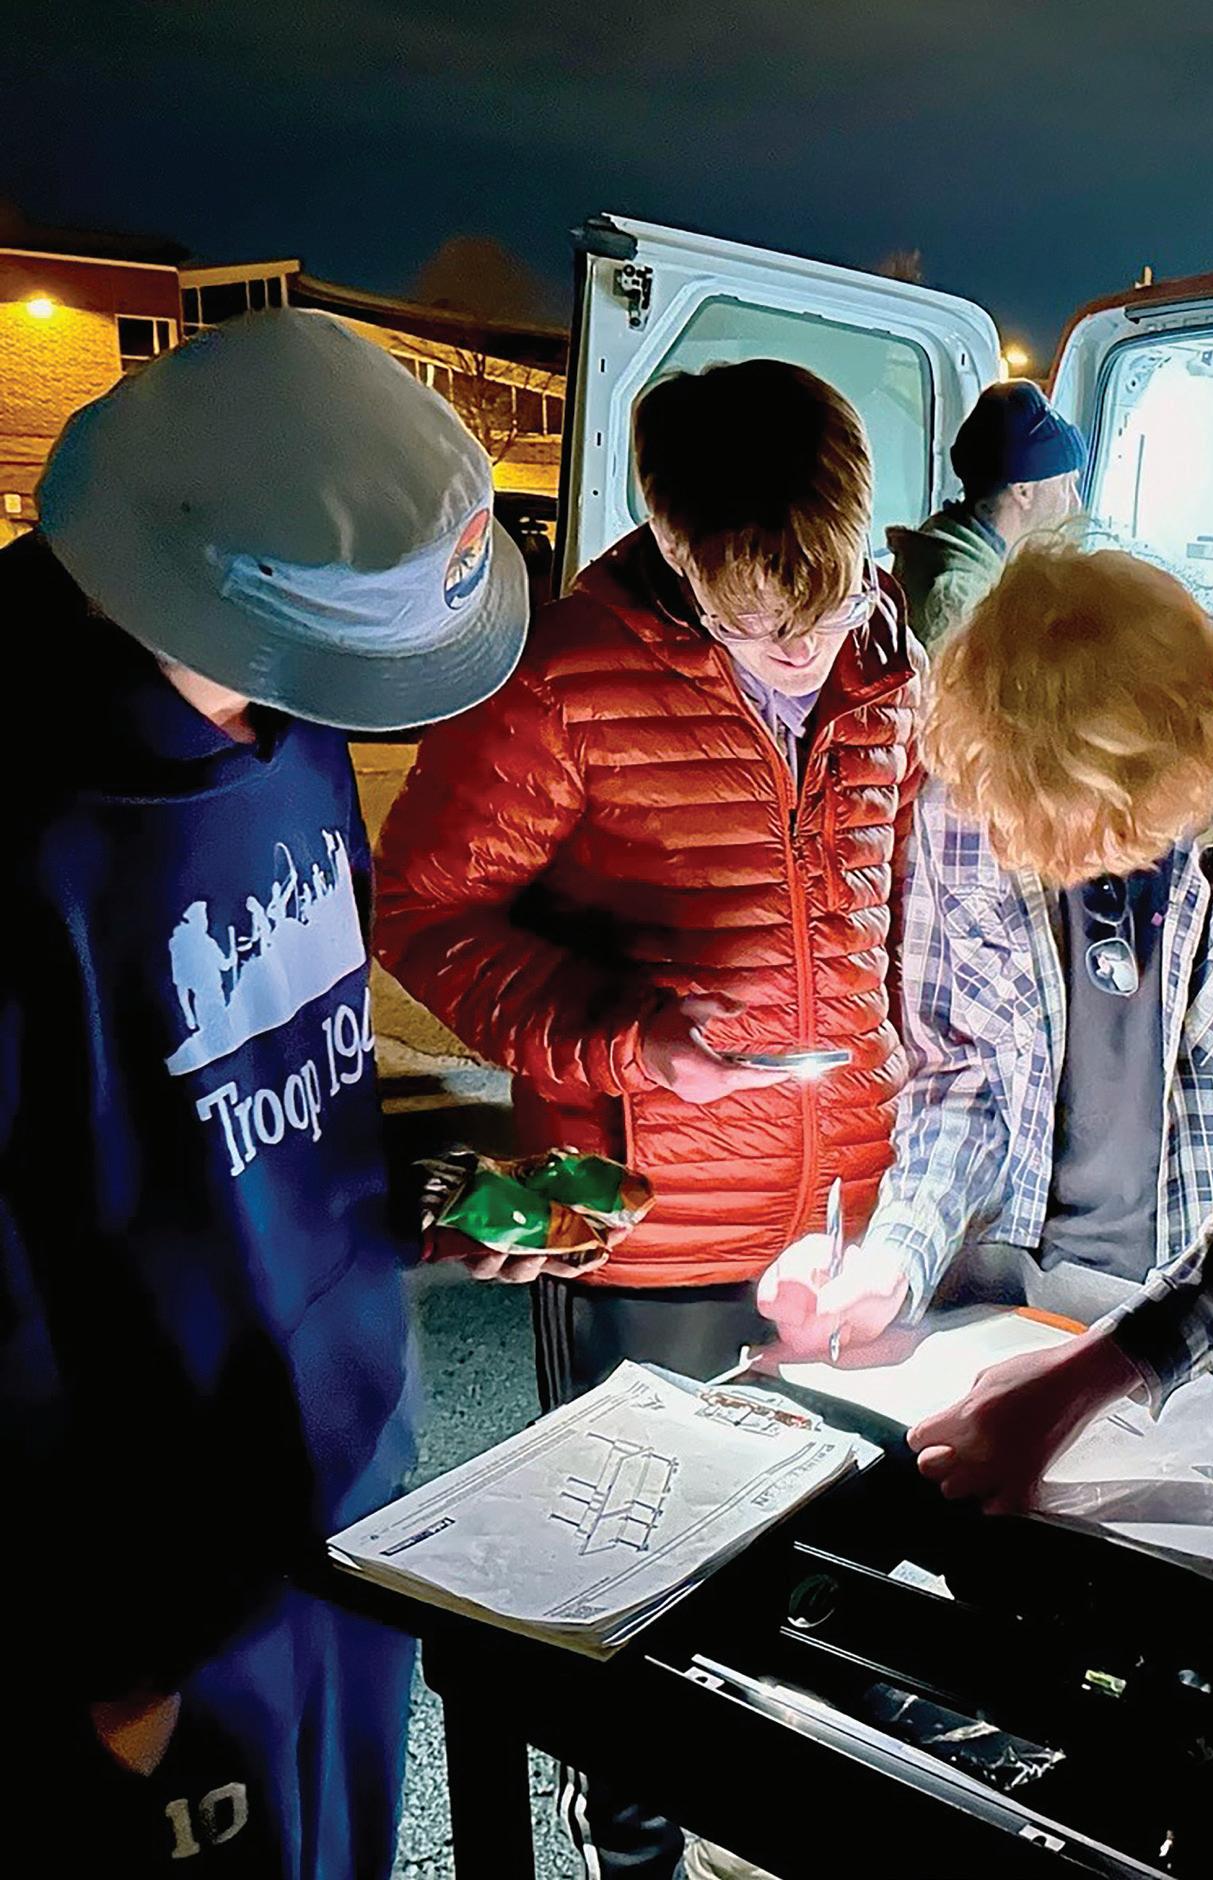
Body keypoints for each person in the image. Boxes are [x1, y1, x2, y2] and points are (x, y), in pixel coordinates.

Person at [0, 310, 528, 1878]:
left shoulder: (284, 728)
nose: (344, 707)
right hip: (136, 1576)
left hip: (343, 1466)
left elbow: (286, 1065)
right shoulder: (33, 828)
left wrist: (411, 1204)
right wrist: (100, 1646)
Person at [374, 357, 918, 1878]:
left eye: (823, 608)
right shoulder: (562, 677)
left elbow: (899, 903)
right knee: (643, 1593)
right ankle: (634, 1849)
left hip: (851, 1211)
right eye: (757, 623)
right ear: (672, 544)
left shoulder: (892, 653)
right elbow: (421, 910)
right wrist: (629, 1041)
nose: (801, 648)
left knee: (836, 1570)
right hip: (651, 1229)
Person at [759, 536, 1213, 1509]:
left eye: (1112, 827)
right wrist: (895, 1258)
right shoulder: (965, 802)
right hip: (1017, 1290)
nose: (1075, 863)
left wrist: (1101, 1371)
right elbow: (958, 1076)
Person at [886, 378, 1087, 646]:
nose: (1075, 503)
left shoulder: (946, 546)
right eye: (1065, 485)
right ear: (1023, 491)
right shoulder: (960, 603)